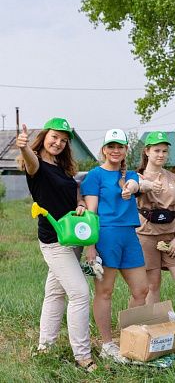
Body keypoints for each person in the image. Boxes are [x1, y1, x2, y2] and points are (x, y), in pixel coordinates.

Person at [16, 118, 96, 372]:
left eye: (63, 140)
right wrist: (23, 147)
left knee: (55, 293)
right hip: (54, 241)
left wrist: (81, 204)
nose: (58, 143)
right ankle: (83, 356)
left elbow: (74, 193)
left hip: (73, 237)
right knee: (80, 293)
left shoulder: (62, 168)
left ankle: (45, 347)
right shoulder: (36, 165)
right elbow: (31, 162)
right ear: (44, 137)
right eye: (54, 137)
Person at [81, 129, 149, 363]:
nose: (115, 150)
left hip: (129, 235)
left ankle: (128, 337)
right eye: (111, 146)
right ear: (104, 149)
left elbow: (136, 184)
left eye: (120, 146)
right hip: (106, 235)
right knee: (105, 291)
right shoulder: (94, 176)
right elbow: (90, 213)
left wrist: (131, 187)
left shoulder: (131, 174)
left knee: (141, 290)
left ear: (126, 150)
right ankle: (107, 343)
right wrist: (91, 246)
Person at [135, 131, 175, 317]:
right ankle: (153, 326)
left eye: (164, 151)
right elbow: (131, 192)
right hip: (146, 235)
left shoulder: (174, 179)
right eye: (156, 150)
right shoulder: (138, 177)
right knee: (153, 284)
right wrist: (144, 186)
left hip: (171, 236)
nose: (160, 155)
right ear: (147, 152)